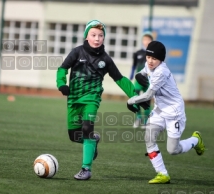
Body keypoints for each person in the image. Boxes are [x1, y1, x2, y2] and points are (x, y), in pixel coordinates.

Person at [56, 19, 149, 180]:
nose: (97, 38)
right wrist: (61, 84)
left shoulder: (105, 59)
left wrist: (136, 97)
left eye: (100, 35)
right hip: (73, 99)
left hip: (92, 99)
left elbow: (120, 79)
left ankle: (86, 169)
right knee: (73, 135)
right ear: (87, 37)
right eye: (93, 35)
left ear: (104, 38)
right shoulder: (77, 52)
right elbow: (62, 68)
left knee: (86, 129)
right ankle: (93, 142)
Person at [127, 41, 205, 184]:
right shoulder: (149, 64)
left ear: (161, 60)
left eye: (154, 59)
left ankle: (195, 140)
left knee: (173, 150)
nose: (150, 61)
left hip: (174, 111)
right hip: (159, 109)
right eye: (148, 57)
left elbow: (148, 95)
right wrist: (140, 75)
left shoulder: (161, 72)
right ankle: (162, 174)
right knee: (149, 137)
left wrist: (132, 100)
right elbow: (143, 72)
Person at [129, 32, 153, 128]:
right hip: (138, 80)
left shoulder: (153, 54)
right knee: (135, 98)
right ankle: (139, 117)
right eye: (144, 39)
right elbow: (134, 65)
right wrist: (131, 75)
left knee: (147, 100)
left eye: (148, 39)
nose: (146, 41)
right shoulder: (137, 53)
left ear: (151, 41)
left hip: (149, 81)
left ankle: (146, 121)